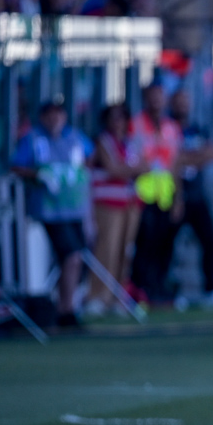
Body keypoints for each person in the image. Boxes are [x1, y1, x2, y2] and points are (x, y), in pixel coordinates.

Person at [11, 100, 93, 329]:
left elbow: (90, 157)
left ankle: (66, 305)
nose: (54, 119)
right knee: (71, 256)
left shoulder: (74, 137)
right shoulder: (33, 139)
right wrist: (38, 175)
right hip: (51, 211)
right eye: (49, 114)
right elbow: (16, 165)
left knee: (76, 258)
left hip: (76, 208)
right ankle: (66, 310)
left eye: (58, 114)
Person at [168, 89, 213, 309]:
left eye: (185, 101)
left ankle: (211, 289)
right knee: (168, 246)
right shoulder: (167, 129)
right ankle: (168, 292)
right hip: (173, 195)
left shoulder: (197, 128)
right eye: (178, 101)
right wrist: (188, 158)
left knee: (210, 240)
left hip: (198, 196)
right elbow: (172, 158)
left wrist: (186, 158)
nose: (182, 106)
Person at [85, 103, 146, 315]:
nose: (118, 122)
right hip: (107, 203)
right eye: (114, 118)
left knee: (125, 251)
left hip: (129, 203)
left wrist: (131, 170)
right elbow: (113, 169)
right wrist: (132, 170)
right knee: (106, 249)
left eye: (121, 118)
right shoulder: (104, 142)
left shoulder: (129, 143)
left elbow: (142, 166)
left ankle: (117, 296)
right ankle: (97, 295)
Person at [129, 82, 183, 304]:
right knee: (145, 245)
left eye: (160, 97)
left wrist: (179, 198)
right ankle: (142, 289)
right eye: (152, 97)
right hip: (143, 195)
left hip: (165, 195)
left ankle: (160, 289)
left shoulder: (171, 127)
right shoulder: (137, 125)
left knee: (165, 244)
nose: (156, 102)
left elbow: (175, 164)